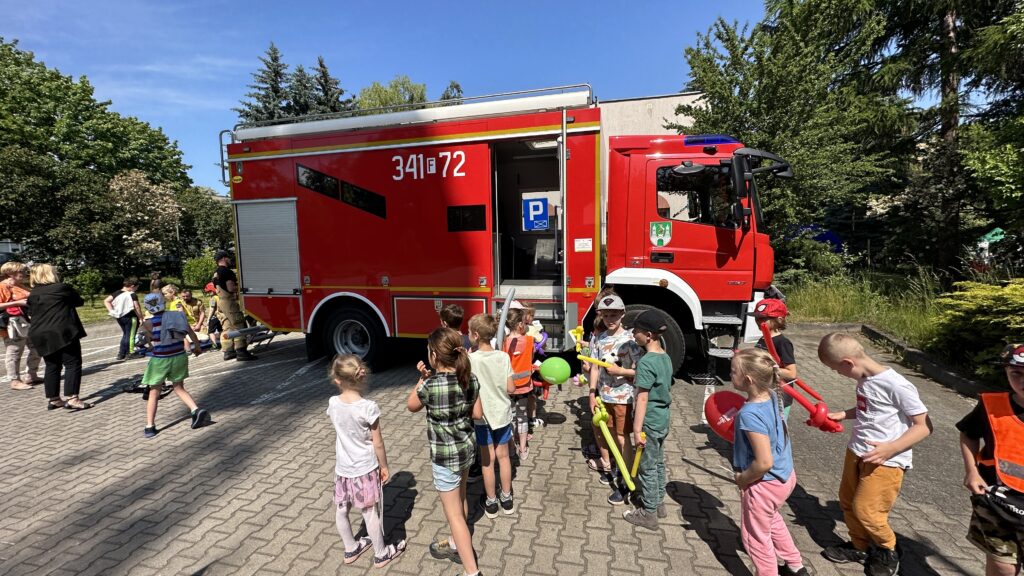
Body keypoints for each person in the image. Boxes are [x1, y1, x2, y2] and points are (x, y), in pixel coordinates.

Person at [819, 332, 932, 576]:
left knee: (867, 510)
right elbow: (870, 408)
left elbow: (924, 426)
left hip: (886, 461)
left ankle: (887, 549)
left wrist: (891, 448)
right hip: (857, 451)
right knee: (848, 502)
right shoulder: (865, 380)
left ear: (848, 363)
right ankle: (859, 546)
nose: (839, 375)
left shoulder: (896, 384)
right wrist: (844, 414)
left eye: (838, 370)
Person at [407, 328, 480, 575]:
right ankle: (453, 542)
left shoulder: (430, 386)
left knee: (454, 516)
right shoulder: (470, 379)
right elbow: (478, 413)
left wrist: (422, 379)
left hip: (445, 458)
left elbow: (411, 405)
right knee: (461, 499)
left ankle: (472, 570)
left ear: (435, 356)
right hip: (467, 450)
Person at [730, 347, 808, 575]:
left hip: (764, 485)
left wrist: (743, 479)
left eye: (733, 371)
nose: (729, 375)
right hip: (785, 477)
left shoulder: (749, 414)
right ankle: (795, 565)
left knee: (756, 537)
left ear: (747, 379)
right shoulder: (773, 395)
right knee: (772, 520)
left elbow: (764, 462)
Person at [327, 354, 407, 568]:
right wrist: (384, 466)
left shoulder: (333, 403)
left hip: (343, 469)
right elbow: (377, 443)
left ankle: (350, 547)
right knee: (369, 511)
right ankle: (381, 553)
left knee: (341, 509)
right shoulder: (368, 407)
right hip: (364, 467)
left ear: (337, 380)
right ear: (361, 376)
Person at [957, 344, 1024, 576]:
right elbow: (968, 434)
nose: (1023, 381)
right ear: (1006, 372)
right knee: (1002, 569)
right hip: (998, 504)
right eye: (1017, 374)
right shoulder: (992, 406)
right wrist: (972, 471)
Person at [586, 290, 641, 505]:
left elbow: (640, 372)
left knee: (622, 437)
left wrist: (622, 372)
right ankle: (617, 467)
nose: (610, 320)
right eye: (606, 315)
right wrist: (592, 393)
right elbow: (593, 369)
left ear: (623, 314)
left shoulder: (631, 340)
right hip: (604, 397)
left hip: (624, 398)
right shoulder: (598, 338)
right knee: (609, 434)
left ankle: (625, 480)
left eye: (614, 315)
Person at [622, 310, 671, 530]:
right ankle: (659, 503)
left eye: (637, 331)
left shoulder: (646, 362)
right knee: (659, 462)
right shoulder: (664, 357)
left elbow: (642, 398)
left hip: (649, 421)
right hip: (663, 418)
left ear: (648, 335)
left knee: (647, 467)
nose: (634, 334)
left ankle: (648, 513)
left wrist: (636, 428)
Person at [137, 293, 211, 438]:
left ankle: (150, 426)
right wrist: (197, 347)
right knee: (179, 387)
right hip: (179, 356)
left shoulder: (148, 323)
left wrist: (148, 343)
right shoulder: (178, 316)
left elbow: (141, 342)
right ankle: (195, 410)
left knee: (154, 392)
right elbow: (191, 333)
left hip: (160, 360)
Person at [467, 313, 516, 518]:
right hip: (502, 414)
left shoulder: (471, 359)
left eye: (469, 332)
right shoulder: (503, 356)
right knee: (504, 457)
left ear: (476, 335)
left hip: (482, 418)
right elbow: (511, 388)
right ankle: (507, 497)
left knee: (488, 461)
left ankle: (491, 502)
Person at [26, 264, 90, 411]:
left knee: (52, 365)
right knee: (72, 363)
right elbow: (79, 301)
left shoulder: (33, 293)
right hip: (62, 331)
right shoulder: (61, 288)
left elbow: (30, 313)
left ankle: (54, 399)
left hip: (40, 333)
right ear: (50, 274)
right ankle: (73, 398)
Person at [750, 298, 797, 421]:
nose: (758, 321)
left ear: (779, 319)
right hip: (764, 391)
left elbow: (791, 373)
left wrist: (766, 368)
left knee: (777, 427)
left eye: (763, 318)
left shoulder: (783, 343)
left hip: (780, 395)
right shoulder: (763, 338)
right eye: (757, 318)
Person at [0, 261, 41, 389]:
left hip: (28, 322)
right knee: (14, 351)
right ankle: (14, 380)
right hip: (13, 324)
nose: (24, 274)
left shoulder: (21, 286)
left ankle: (31, 375)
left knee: (37, 348)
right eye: (21, 272)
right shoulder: (2, 286)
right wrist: (17, 303)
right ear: (10, 273)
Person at [212, 250, 255, 361]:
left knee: (227, 326)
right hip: (229, 302)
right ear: (224, 258)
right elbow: (231, 288)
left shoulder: (216, 273)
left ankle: (228, 351)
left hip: (220, 303)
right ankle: (241, 352)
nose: (230, 260)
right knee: (239, 324)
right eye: (229, 258)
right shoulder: (227, 272)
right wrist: (243, 287)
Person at [503, 308, 534, 459]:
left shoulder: (503, 342)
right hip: (524, 386)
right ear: (521, 323)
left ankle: (510, 449)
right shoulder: (529, 340)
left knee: (509, 416)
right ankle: (523, 449)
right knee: (522, 416)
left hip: (507, 387)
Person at [104, 276, 143, 362]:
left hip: (120, 317)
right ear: (132, 286)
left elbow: (106, 300)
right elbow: (136, 306)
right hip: (130, 317)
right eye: (137, 287)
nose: (137, 289)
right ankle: (131, 352)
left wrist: (112, 311)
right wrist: (141, 318)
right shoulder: (132, 294)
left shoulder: (116, 293)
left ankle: (122, 353)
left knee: (126, 334)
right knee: (131, 335)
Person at [204, 282, 222, 350]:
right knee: (221, 330)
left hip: (214, 317)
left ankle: (215, 345)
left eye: (209, 291)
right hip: (220, 316)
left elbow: (212, 309)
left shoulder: (213, 298)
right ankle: (223, 342)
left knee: (210, 332)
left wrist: (208, 319)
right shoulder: (219, 296)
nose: (208, 293)